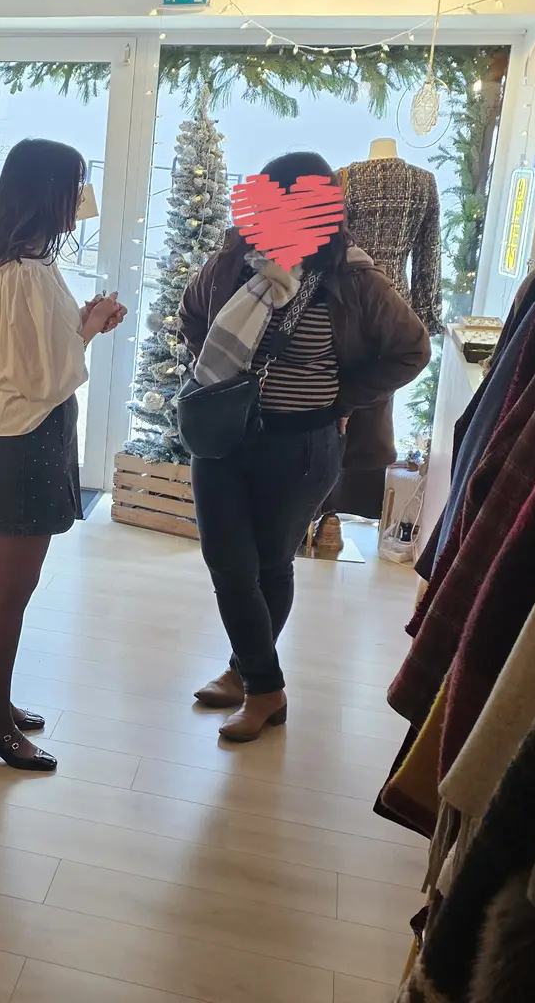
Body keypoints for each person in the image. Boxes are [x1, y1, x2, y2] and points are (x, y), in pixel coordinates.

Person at [177, 151, 428, 741]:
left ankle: (250, 679)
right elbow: (191, 315)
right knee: (227, 564)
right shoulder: (232, 263)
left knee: (270, 564)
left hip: (301, 446)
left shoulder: (354, 281)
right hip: (221, 441)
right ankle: (264, 685)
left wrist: (345, 399)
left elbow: (411, 350)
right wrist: (215, 374)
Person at [0, 138, 124, 771]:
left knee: (10, 582)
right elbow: (43, 376)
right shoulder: (26, 270)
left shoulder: (9, 260)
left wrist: (80, 326)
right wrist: (88, 328)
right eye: (74, 185)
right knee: (12, 585)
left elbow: (33, 356)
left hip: (16, 431)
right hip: (28, 436)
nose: (80, 199)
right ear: (47, 191)